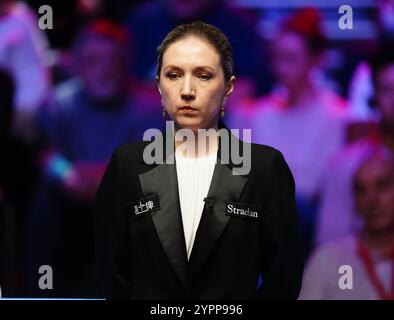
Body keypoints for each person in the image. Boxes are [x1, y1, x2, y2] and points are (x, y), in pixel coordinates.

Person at [95, 21, 303, 300]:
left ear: (228, 87)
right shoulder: (127, 165)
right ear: (158, 86)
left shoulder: (264, 168)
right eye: (173, 75)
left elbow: (284, 279)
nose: (187, 90)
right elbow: (113, 271)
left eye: (203, 75)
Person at [227, 8, 350, 258]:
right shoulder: (258, 113)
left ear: (315, 59)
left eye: (291, 58)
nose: (281, 67)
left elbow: (313, 186)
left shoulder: (336, 115)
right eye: (277, 58)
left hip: (303, 219)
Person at [316, 49, 394, 246]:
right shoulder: (345, 164)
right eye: (387, 90)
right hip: (362, 268)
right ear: (374, 97)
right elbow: (330, 244)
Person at [300, 142, 394, 300]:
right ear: (355, 203)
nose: (372, 200)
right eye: (361, 190)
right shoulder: (329, 260)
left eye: (382, 185)